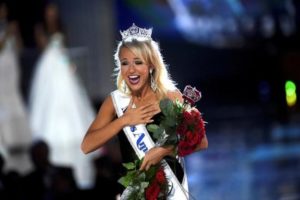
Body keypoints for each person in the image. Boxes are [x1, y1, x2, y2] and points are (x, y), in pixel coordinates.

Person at [81, 23, 208, 199]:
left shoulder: (171, 97)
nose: (131, 69)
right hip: (137, 193)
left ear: (151, 65)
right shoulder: (115, 102)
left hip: (172, 192)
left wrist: (164, 150)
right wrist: (124, 120)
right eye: (125, 63)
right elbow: (86, 145)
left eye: (138, 62)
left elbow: (201, 142)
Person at [28, 3, 98, 189]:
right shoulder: (41, 28)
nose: (52, 13)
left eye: (54, 11)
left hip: (61, 63)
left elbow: (64, 47)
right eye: (49, 11)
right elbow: (43, 47)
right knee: (50, 99)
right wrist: (48, 36)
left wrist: (68, 63)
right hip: (49, 65)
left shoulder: (61, 27)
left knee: (69, 97)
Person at [0, 1, 32, 175]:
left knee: (14, 96)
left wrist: (15, 34)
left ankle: (17, 136)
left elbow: (19, 48)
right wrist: (6, 35)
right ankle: (5, 136)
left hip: (11, 65)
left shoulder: (10, 26)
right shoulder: (3, 29)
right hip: (1, 65)